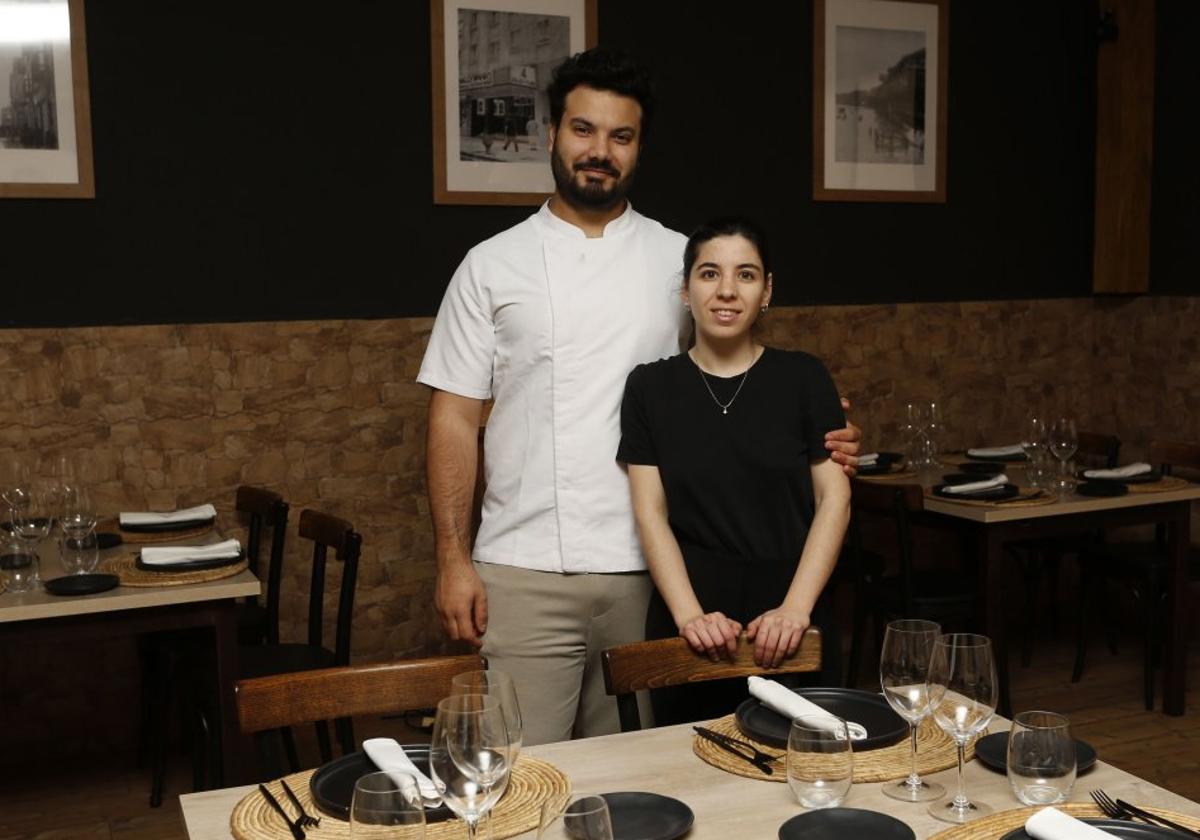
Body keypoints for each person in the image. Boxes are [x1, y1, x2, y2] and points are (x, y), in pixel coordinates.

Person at [418, 48, 861, 746]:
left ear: (639, 148)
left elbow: (735, 377)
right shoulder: (490, 264)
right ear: (552, 136)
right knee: (522, 772)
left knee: (644, 771)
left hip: (652, 575)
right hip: (524, 565)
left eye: (620, 136)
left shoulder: (679, 260)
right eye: (583, 130)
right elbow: (453, 418)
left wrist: (824, 437)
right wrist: (452, 557)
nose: (600, 151)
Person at [618, 217, 851, 725]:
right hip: (693, 617)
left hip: (795, 610)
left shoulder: (805, 377)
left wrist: (795, 609)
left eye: (745, 275)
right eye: (709, 274)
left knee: (809, 769)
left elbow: (835, 499)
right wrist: (689, 616)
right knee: (689, 771)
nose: (726, 290)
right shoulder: (649, 388)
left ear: (767, 290)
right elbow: (649, 510)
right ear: (685, 289)